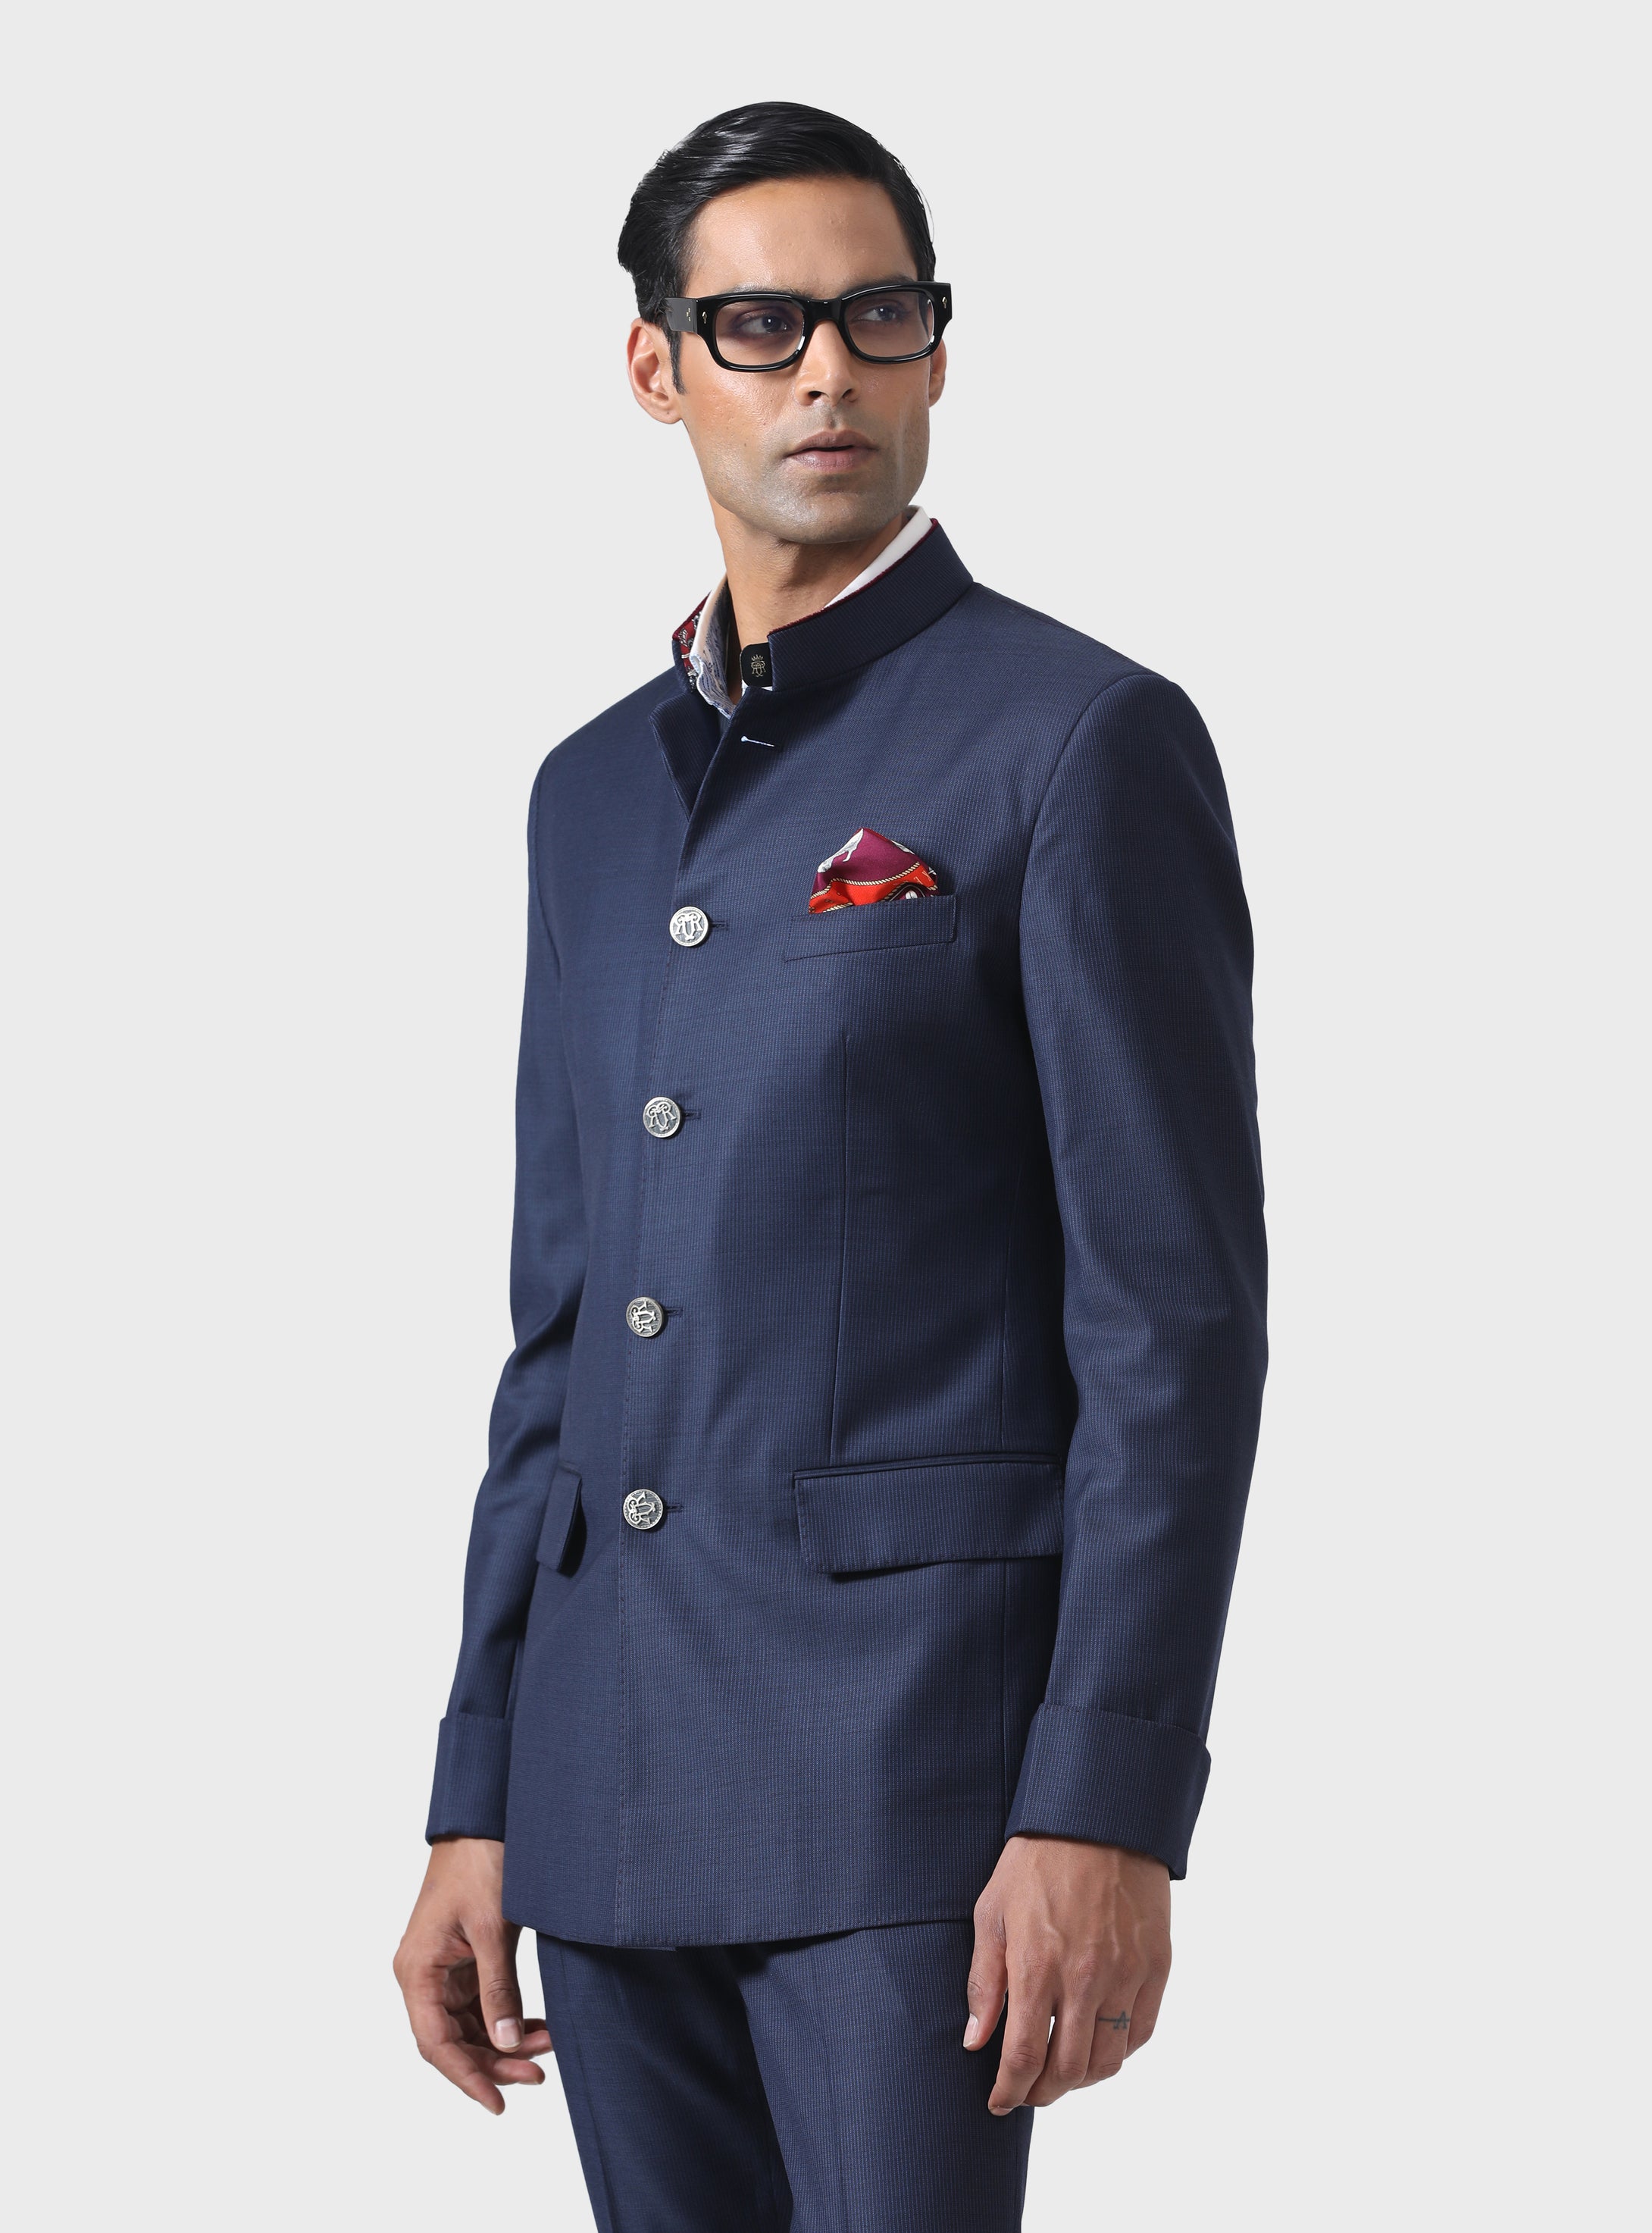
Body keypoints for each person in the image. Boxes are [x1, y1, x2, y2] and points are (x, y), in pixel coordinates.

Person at [394, 101, 1267, 2233]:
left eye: (879, 317)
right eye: (761, 325)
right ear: (656, 364)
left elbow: (1170, 1327)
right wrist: (478, 1784)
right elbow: (560, 1334)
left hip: (918, 1789)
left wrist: (1105, 1800)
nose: (827, 375)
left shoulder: (1075, 738)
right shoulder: (588, 796)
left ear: (936, 349)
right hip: (603, 1782)